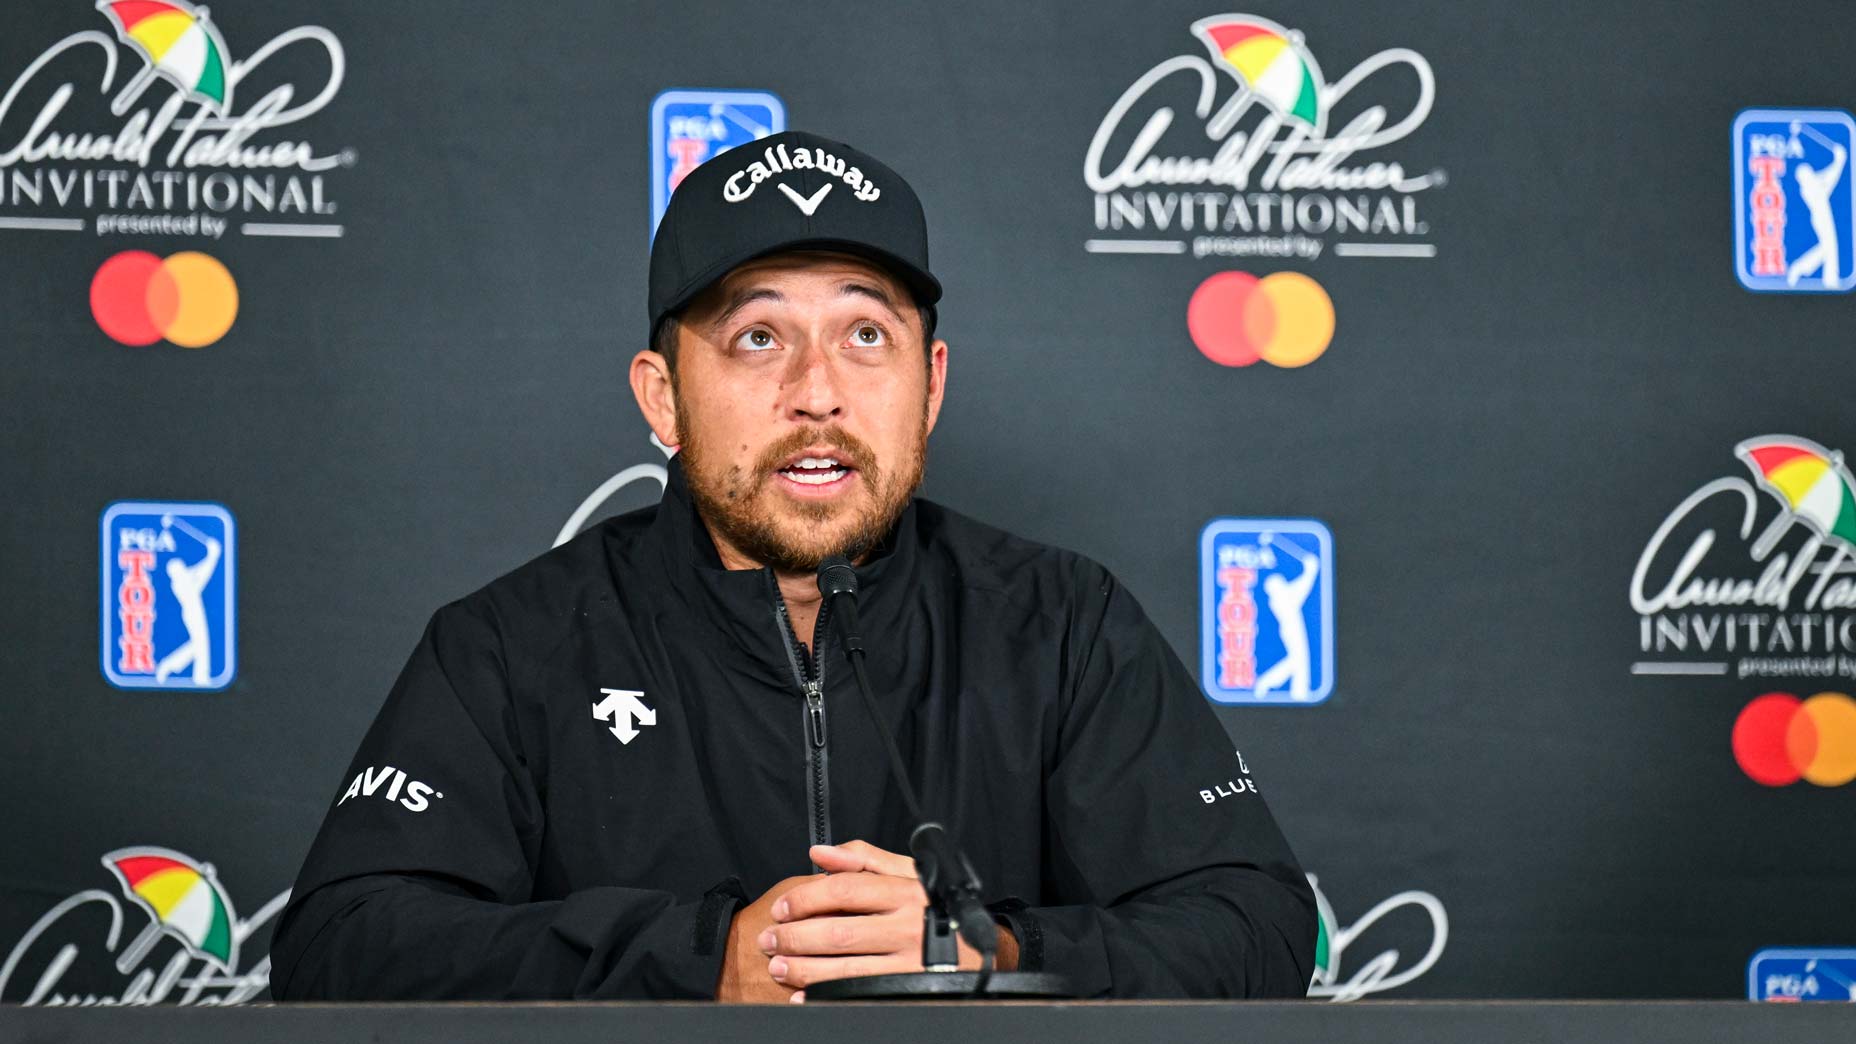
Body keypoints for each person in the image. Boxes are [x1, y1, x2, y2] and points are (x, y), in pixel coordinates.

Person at [271, 131, 1315, 1002]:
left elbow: (1258, 927)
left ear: (931, 383)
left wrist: (992, 953)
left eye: (865, 332)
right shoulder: (512, 645)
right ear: (660, 396)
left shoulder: (1060, 622)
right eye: (756, 338)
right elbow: (339, 949)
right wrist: (709, 960)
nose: (817, 392)